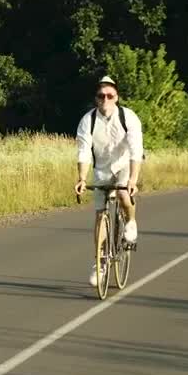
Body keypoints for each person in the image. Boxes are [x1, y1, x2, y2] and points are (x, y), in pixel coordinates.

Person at [74, 75, 143, 286]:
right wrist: (82, 179)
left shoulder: (128, 117)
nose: (105, 99)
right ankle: (101, 262)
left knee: (123, 194)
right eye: (101, 96)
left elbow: (135, 149)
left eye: (109, 95)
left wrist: (132, 179)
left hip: (124, 166)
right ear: (96, 99)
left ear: (116, 97)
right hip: (102, 170)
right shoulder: (88, 120)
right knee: (100, 214)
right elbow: (84, 152)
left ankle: (130, 222)